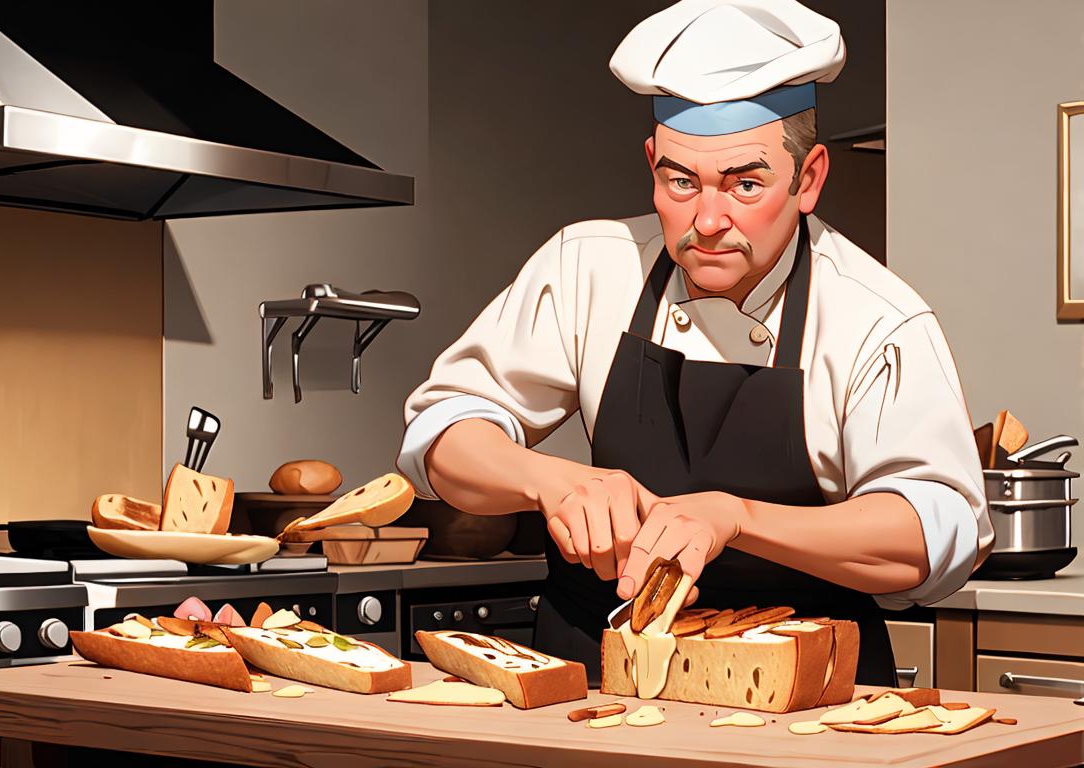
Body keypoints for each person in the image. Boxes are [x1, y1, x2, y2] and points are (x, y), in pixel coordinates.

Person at [397, 0, 992, 686]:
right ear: (651, 162)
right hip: (596, 679)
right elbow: (439, 436)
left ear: (810, 178)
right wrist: (555, 482)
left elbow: (930, 535)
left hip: (804, 691)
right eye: (681, 181)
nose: (707, 220)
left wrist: (734, 519)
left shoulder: (875, 318)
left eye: (745, 183)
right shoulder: (589, 266)